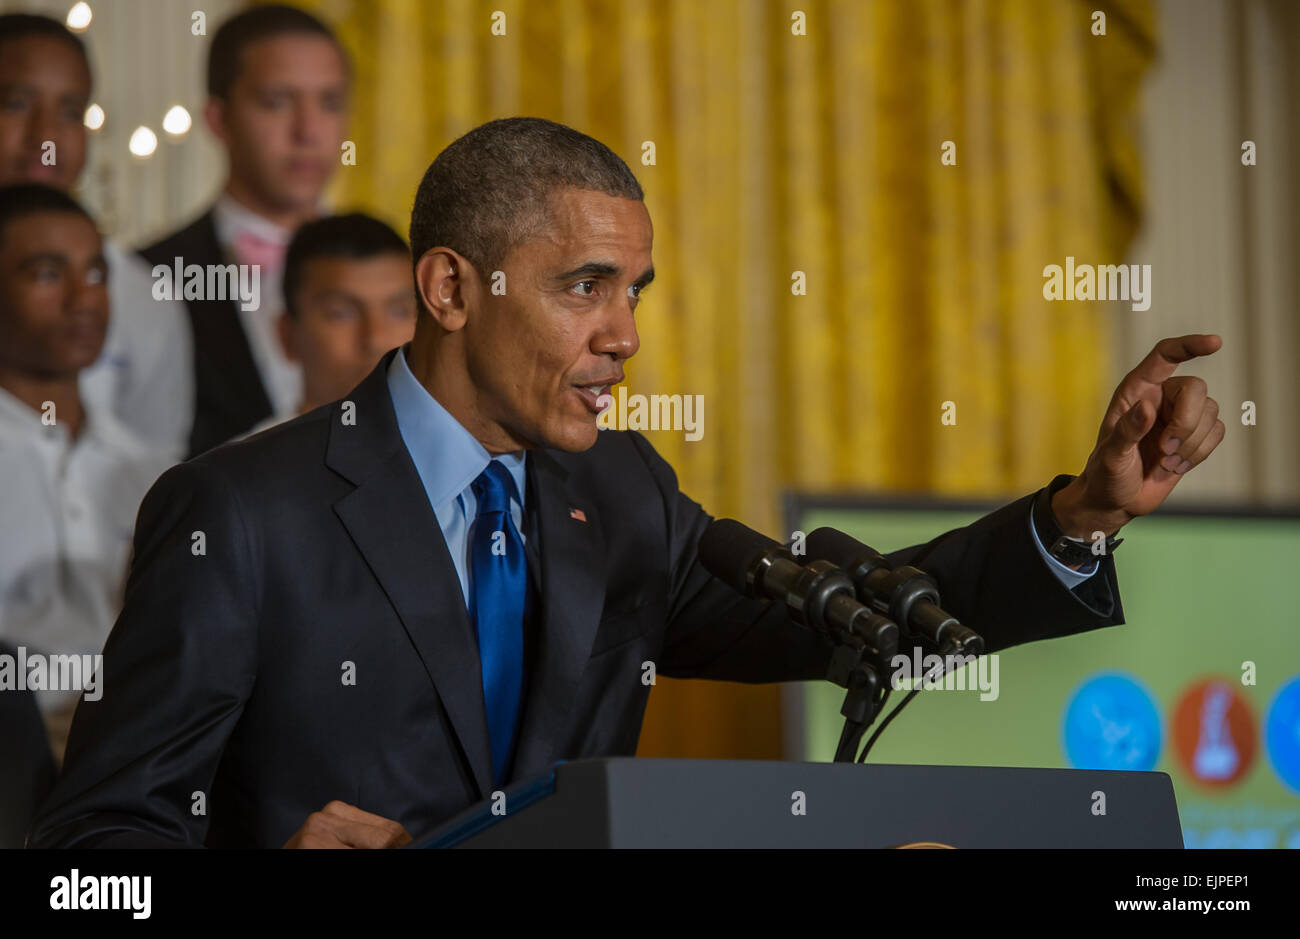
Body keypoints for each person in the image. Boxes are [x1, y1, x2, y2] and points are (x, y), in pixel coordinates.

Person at [29, 117, 1225, 849]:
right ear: (450, 290)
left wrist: (1080, 516)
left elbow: (829, 610)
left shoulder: (623, 491)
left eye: (635, 292)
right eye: (583, 287)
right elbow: (94, 855)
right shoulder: (239, 514)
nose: (625, 336)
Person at [0, 184, 168, 766]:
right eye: (47, 273)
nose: (83, 299)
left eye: (96, 274)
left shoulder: (153, 473)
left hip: (143, 749)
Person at [139, 4, 350, 457]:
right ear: (219, 119)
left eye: (330, 102)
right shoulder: (147, 274)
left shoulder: (399, 268)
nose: (309, 131)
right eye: (277, 101)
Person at [0, 13, 192, 460]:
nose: (45, 137)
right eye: (16, 104)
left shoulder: (142, 295)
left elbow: (156, 468)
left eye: (71, 111)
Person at [238, 212, 415, 435]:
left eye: (400, 312)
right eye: (340, 314)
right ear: (287, 335)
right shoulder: (243, 466)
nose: (375, 339)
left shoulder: (457, 454)